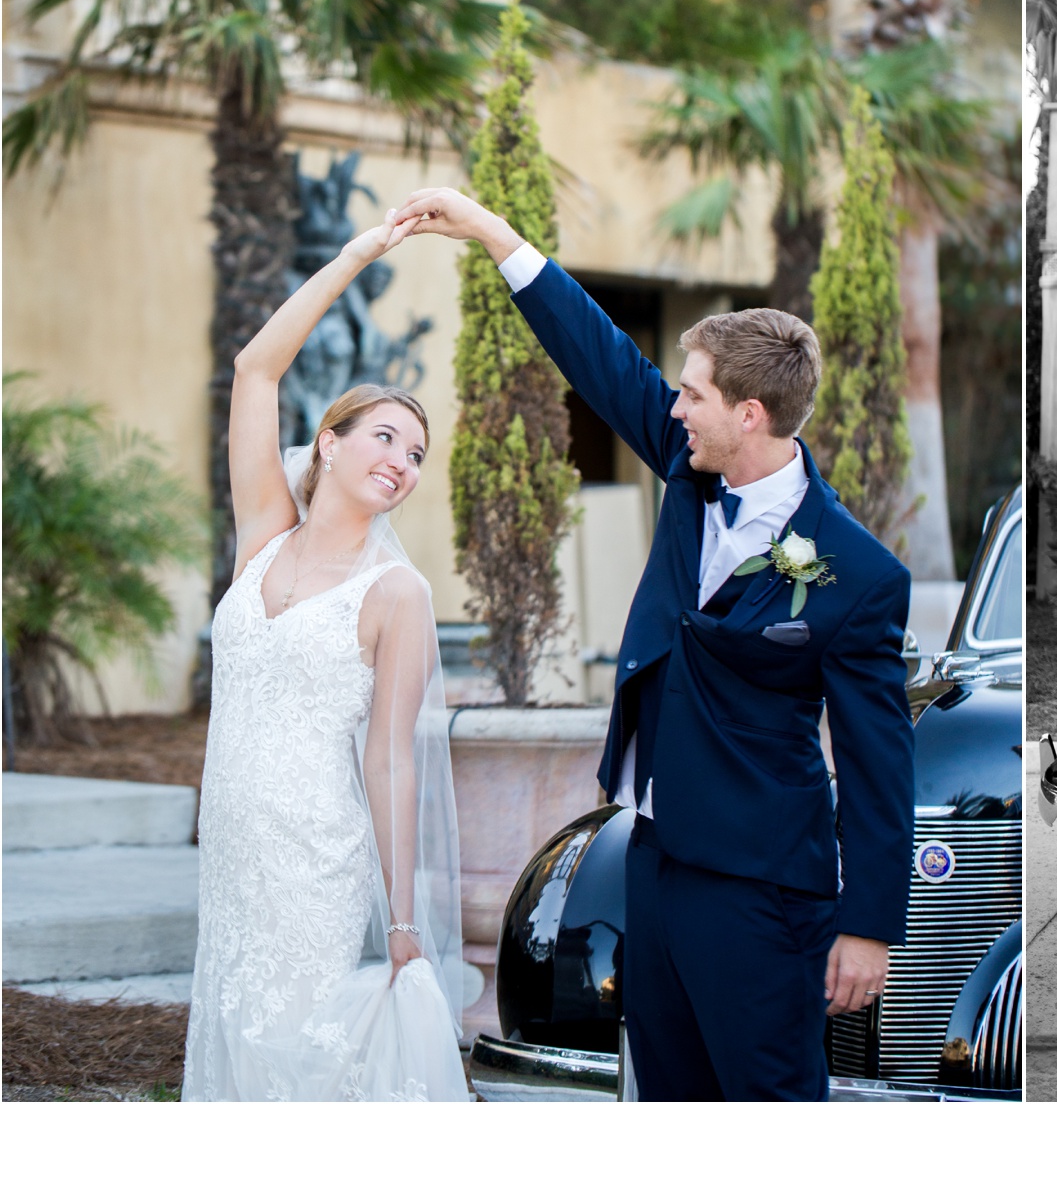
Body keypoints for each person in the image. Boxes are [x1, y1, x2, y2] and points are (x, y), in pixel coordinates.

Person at [391, 185, 914, 1102]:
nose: (674, 409)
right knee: (664, 1100)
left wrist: (869, 927)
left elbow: (879, 761)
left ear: (748, 414)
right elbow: (597, 358)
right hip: (654, 857)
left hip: (761, 889)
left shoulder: (858, 574)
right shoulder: (688, 472)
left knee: (766, 1108)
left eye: (694, 395)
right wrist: (491, 230)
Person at [184, 209, 468, 1101]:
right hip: (230, 848)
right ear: (332, 441)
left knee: (293, 1057)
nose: (401, 460)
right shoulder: (264, 534)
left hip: (317, 860)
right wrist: (357, 254)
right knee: (233, 1038)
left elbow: (390, 758)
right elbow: (256, 368)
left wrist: (402, 917)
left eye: (417, 453)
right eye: (384, 436)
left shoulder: (398, 596)